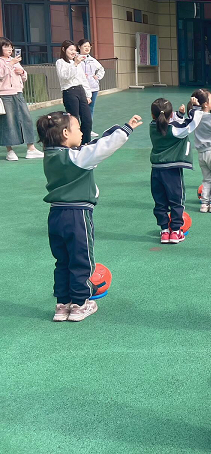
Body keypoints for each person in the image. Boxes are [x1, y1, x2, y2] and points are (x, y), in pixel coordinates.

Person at [38, 111, 142, 322]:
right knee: (81, 260)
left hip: (55, 215)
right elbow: (103, 147)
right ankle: (79, 304)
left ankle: (62, 305)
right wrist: (126, 129)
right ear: (65, 133)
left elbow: (91, 145)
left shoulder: (50, 156)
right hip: (77, 216)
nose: (81, 132)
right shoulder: (77, 158)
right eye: (77, 128)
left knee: (62, 261)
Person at [149, 97, 203, 244]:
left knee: (160, 202)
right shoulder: (174, 130)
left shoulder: (152, 126)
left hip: (156, 170)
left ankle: (164, 231)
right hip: (172, 171)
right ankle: (176, 231)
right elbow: (191, 124)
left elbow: (169, 122)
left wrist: (179, 115)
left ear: (153, 115)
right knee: (176, 201)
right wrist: (196, 108)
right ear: (170, 114)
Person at [0, 37, 43, 161]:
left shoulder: (14, 60)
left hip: (18, 93)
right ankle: (10, 150)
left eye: (10, 47)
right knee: (8, 122)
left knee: (26, 119)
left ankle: (31, 148)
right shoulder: (4, 61)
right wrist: (10, 65)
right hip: (5, 95)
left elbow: (24, 77)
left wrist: (22, 72)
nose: (9, 49)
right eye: (6, 46)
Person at [56, 40, 92, 144]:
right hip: (69, 92)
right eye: (71, 50)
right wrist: (75, 64)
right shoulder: (60, 62)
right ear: (64, 49)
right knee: (74, 120)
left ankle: (86, 143)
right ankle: (75, 143)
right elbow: (65, 77)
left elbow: (82, 79)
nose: (73, 52)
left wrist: (88, 94)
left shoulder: (76, 63)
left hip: (80, 90)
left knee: (87, 120)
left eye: (75, 50)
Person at [76, 39, 105, 131]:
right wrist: (80, 75)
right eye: (85, 46)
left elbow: (101, 69)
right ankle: (78, 129)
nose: (87, 48)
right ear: (79, 47)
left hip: (93, 87)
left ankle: (88, 129)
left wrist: (97, 77)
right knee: (80, 109)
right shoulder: (75, 59)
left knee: (90, 109)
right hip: (81, 88)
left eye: (89, 46)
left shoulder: (92, 60)